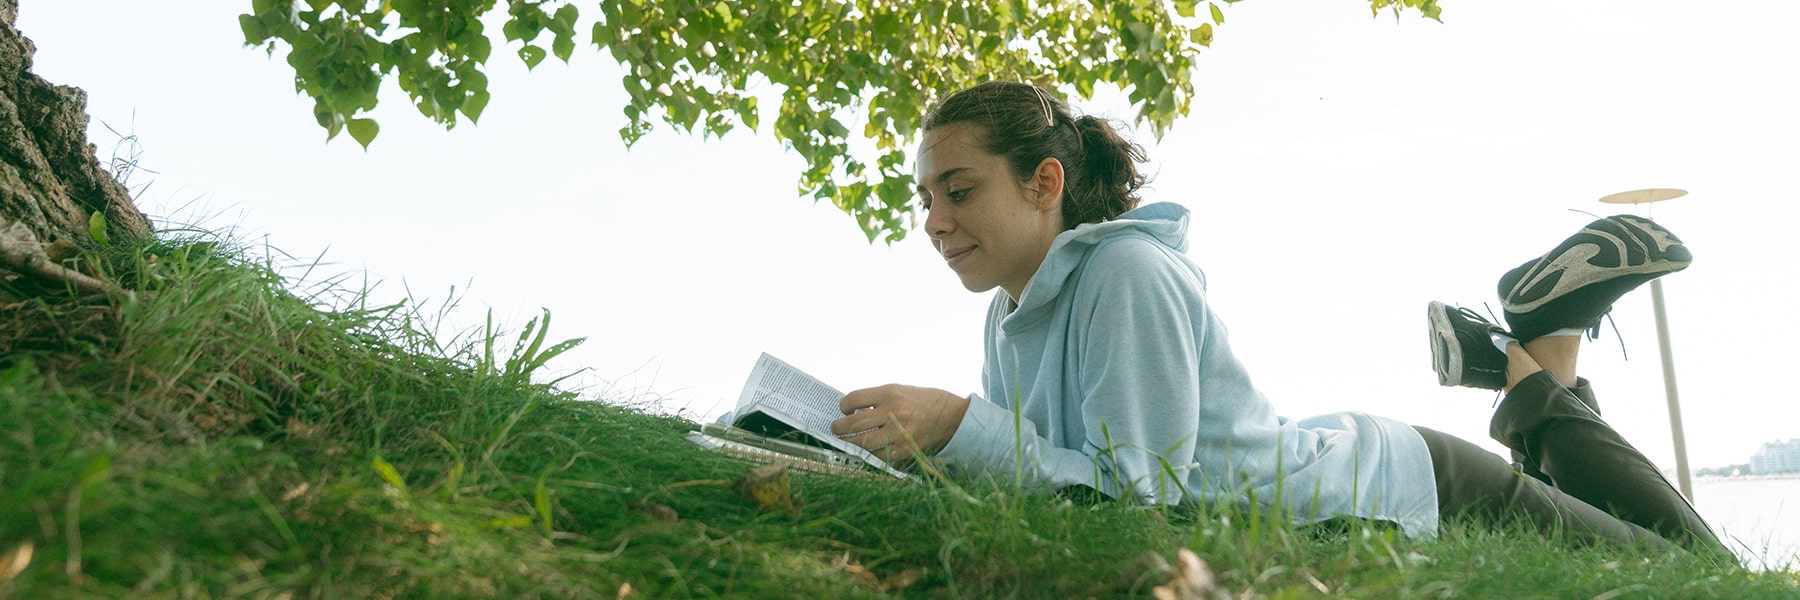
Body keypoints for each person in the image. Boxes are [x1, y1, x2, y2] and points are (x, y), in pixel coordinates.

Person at [826, 80, 1728, 557]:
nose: (935, 221)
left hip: (1415, 488)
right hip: (1369, 465)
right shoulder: (1012, 315)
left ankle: (1531, 349)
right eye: (926, 199)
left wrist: (960, 426)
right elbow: (1053, 486)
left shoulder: (1127, 274)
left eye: (958, 190)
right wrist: (931, 454)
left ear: (1044, 182)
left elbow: (1137, 503)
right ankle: (1531, 351)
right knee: (1626, 546)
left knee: (1696, 572)